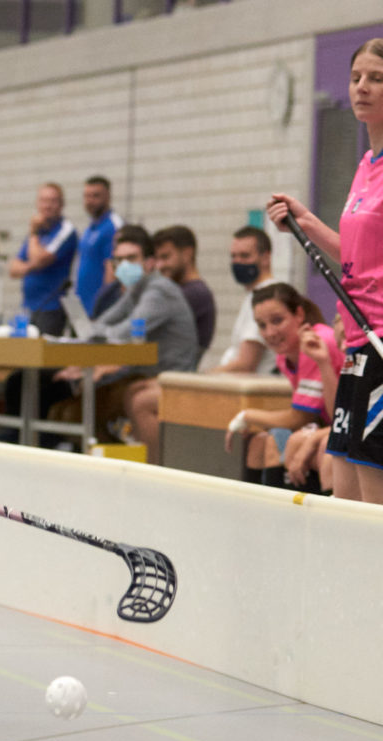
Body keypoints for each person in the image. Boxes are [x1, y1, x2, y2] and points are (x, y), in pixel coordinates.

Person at [267, 38, 383, 504]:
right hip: (356, 344)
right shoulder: (366, 166)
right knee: (343, 497)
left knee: (373, 506)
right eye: (356, 78)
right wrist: (306, 221)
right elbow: (357, 255)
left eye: (377, 79)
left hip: (380, 345)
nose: (362, 88)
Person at [51, 224, 198, 463]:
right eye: (119, 260)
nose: (125, 266)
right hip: (141, 374)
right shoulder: (135, 290)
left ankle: (150, 468)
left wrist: (95, 334)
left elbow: (124, 332)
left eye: (132, 258)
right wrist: (91, 334)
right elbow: (99, 326)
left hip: (169, 375)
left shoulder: (159, 290)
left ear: (150, 262)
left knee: (77, 413)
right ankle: (113, 462)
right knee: (65, 412)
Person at [223, 283, 343, 490]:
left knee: (280, 442)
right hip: (330, 426)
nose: (270, 332)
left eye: (277, 321)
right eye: (261, 325)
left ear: (298, 314)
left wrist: (246, 416)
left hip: (345, 429)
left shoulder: (317, 341)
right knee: (260, 442)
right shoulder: (283, 357)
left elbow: (300, 417)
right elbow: (308, 416)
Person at [7, 182, 77, 336]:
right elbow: (13, 269)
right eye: (44, 201)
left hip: (51, 307)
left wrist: (33, 233)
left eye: (53, 201)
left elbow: (38, 260)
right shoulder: (39, 233)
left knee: (43, 357)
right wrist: (32, 265)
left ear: (61, 204)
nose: (48, 206)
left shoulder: (65, 230)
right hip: (28, 306)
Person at [211, 225, 278, 375]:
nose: (237, 262)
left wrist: (204, 377)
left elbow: (246, 364)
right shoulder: (254, 294)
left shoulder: (266, 297)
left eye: (245, 256)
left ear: (266, 257)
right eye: (233, 256)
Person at [151, 225, 216, 362]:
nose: (159, 265)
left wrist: (102, 356)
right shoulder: (178, 292)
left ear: (187, 254)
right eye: (157, 259)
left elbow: (148, 340)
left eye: (165, 257)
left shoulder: (194, 294)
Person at [75, 176, 123, 317]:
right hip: (82, 307)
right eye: (87, 196)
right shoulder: (90, 228)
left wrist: (103, 305)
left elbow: (112, 269)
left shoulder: (112, 226)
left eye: (95, 196)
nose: (90, 201)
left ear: (108, 197)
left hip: (99, 309)